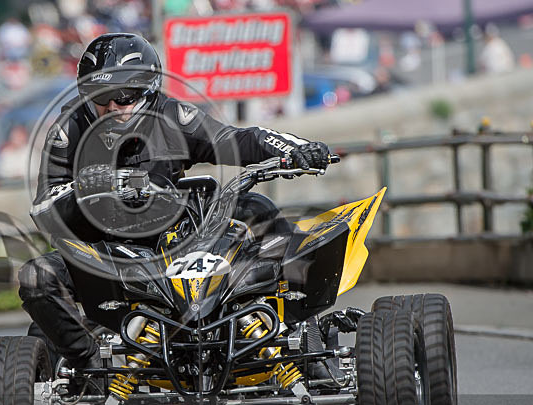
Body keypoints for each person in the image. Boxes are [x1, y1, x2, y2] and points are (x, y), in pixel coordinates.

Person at [18, 33, 330, 369]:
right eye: (99, 96)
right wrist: (86, 191)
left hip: (175, 242)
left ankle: (300, 332)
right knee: (37, 278)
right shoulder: (68, 129)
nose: (111, 107)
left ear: (147, 90)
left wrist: (295, 149)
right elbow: (43, 209)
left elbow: (235, 139)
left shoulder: (173, 116)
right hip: (102, 251)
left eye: (123, 96)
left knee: (257, 208)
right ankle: (90, 364)